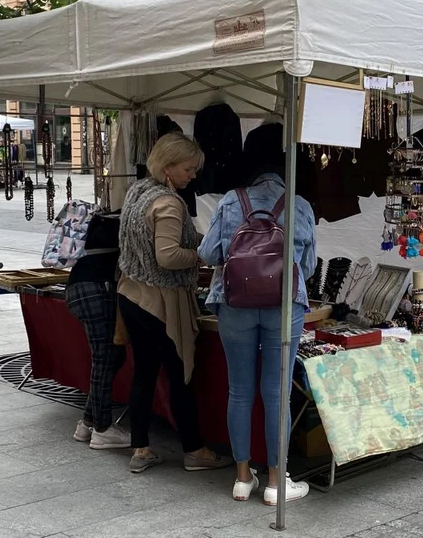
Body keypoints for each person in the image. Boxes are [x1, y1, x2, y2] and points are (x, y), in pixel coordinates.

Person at [199, 123, 316, 505]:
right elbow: (309, 266)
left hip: (235, 302)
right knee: (276, 393)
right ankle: (276, 482)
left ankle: (241, 478)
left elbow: (209, 254)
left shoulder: (231, 201)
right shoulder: (299, 204)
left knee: (240, 390)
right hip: (284, 304)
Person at [117, 133, 231, 474]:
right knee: (181, 375)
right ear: (168, 167)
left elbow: (165, 240)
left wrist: (203, 240)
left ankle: (140, 448)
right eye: (188, 168)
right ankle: (195, 450)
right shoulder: (168, 203)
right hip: (161, 303)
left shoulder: (137, 192)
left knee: (144, 375)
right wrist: (204, 255)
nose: (193, 175)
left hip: (132, 294)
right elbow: (167, 256)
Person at [67, 211, 130, 449]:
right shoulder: (118, 223)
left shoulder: (102, 219)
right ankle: (102, 429)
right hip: (95, 290)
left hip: (79, 288)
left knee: (113, 356)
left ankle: (87, 422)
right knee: (104, 358)